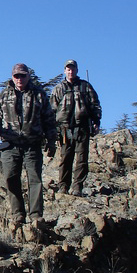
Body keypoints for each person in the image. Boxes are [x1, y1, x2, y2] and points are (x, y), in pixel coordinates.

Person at [0, 63, 57, 229]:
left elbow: (49, 120)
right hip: (10, 145)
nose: (20, 79)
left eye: (23, 75)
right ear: (12, 77)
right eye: (17, 76)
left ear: (28, 76)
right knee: (11, 179)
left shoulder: (39, 95)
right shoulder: (4, 95)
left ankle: (36, 216)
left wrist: (51, 141)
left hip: (32, 144)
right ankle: (18, 214)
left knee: (35, 180)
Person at [49, 59, 101, 196]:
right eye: (68, 69)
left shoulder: (85, 86)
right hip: (64, 129)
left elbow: (95, 104)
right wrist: (51, 128)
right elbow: (52, 110)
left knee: (82, 159)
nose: (70, 71)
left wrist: (96, 121)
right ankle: (63, 186)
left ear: (77, 70)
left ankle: (77, 186)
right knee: (65, 158)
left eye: (73, 69)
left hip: (82, 127)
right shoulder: (59, 88)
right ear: (65, 71)